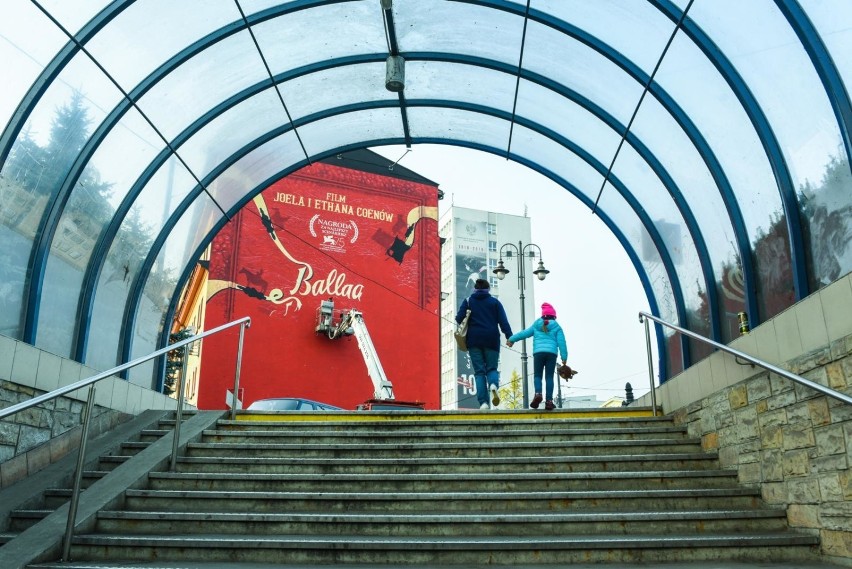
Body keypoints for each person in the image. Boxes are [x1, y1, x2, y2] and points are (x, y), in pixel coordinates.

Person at [456, 278, 513, 409]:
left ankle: (483, 403)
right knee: (491, 368)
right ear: (488, 289)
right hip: (491, 339)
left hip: (474, 340)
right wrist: (509, 337)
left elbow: (459, 318)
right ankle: (493, 385)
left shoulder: (468, 301)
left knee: (479, 372)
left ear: (474, 289)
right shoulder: (495, 302)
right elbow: (503, 322)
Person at [506, 302, 568, 410]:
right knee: (549, 377)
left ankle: (538, 393)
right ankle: (549, 401)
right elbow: (562, 343)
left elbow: (524, 333)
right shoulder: (557, 327)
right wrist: (564, 357)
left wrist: (512, 339)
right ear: (554, 316)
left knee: (537, 376)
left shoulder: (536, 324)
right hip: (551, 354)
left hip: (538, 353)